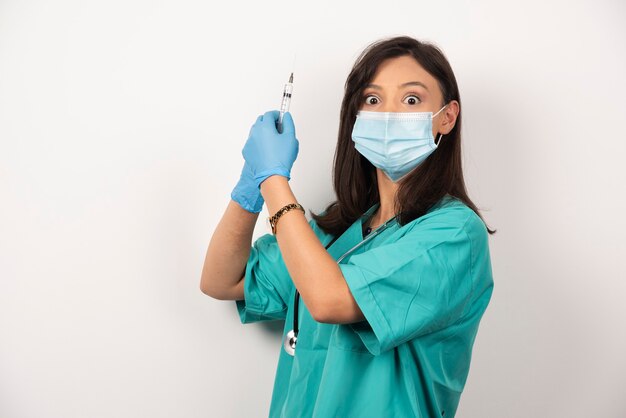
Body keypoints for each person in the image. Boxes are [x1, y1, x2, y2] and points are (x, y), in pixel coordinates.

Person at [200, 35, 496, 418]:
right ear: (356, 118)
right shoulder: (334, 234)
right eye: (372, 100)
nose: (388, 115)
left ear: (447, 116)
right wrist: (250, 190)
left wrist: (274, 180)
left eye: (411, 99)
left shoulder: (454, 235)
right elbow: (221, 280)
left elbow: (329, 299)